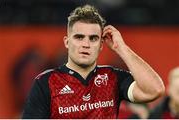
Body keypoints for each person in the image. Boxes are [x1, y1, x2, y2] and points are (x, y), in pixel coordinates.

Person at [22, 4, 165, 119]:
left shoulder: (112, 77)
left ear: (101, 44)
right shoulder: (46, 82)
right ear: (67, 42)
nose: (86, 44)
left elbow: (154, 90)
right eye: (79, 37)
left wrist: (122, 49)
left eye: (93, 38)